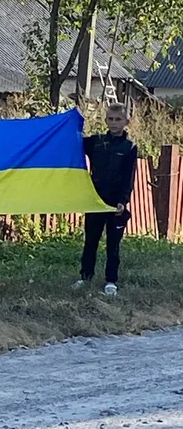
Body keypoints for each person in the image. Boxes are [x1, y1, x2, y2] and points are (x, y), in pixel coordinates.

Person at [74, 102, 138, 296]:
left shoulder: (130, 147)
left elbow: (129, 176)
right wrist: (69, 124)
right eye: (110, 119)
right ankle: (85, 277)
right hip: (95, 200)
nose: (113, 123)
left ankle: (111, 281)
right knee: (90, 241)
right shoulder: (96, 142)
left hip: (115, 205)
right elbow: (73, 142)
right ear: (105, 120)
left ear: (127, 121)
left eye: (118, 119)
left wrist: (123, 200)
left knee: (113, 245)